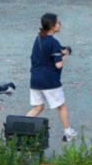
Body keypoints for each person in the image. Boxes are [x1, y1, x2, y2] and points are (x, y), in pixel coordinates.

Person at [28, 12, 78, 143]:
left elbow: (46, 52)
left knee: (37, 108)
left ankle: (21, 129)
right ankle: (68, 133)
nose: (59, 24)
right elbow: (58, 64)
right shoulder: (54, 42)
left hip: (35, 79)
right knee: (61, 106)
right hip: (50, 81)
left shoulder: (38, 38)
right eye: (57, 22)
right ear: (52, 26)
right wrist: (64, 55)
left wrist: (60, 52)